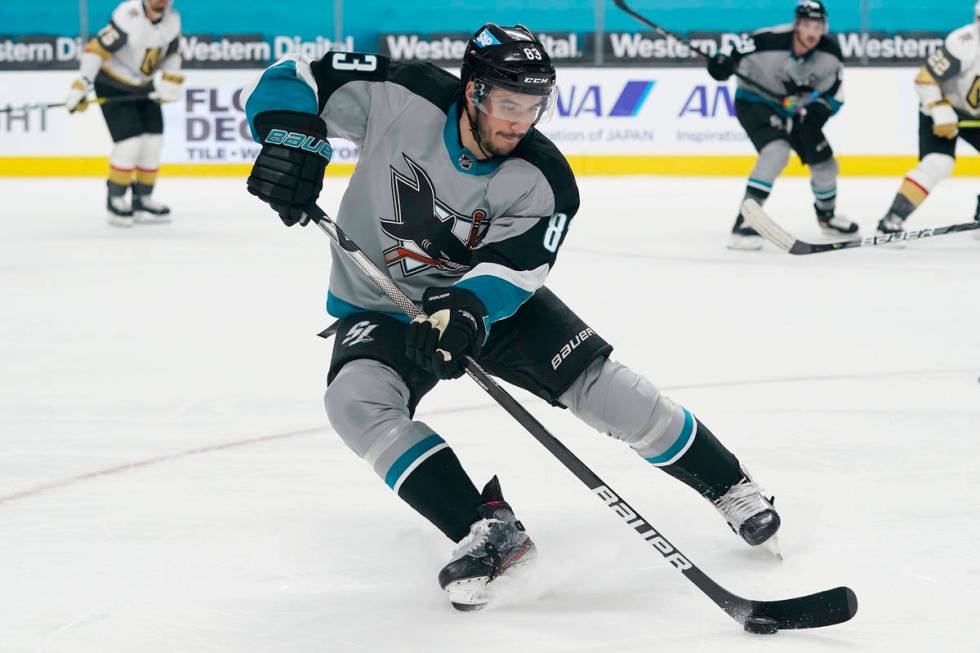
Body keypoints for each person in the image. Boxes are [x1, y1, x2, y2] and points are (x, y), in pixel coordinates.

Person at [243, 24, 781, 611]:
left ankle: (729, 485)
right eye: (507, 105)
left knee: (604, 390)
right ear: (472, 91)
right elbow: (295, 78)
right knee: (353, 402)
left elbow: (514, 271)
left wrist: (466, 312)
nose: (519, 122)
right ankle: (490, 531)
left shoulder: (544, 179)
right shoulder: (404, 92)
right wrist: (291, 139)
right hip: (379, 302)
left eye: (532, 108)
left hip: (478, 303)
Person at [707, 0, 857, 250]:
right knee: (776, 152)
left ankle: (827, 218)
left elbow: (834, 96)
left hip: (798, 110)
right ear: (797, 25)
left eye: (818, 27)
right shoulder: (765, 41)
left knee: (826, 165)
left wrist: (815, 113)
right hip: (756, 103)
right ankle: (744, 223)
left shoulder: (830, 54)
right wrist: (719, 66)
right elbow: (728, 62)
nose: (812, 33)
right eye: (807, 25)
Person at [65, 0, 183, 227]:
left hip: (144, 86)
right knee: (130, 144)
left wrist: (171, 80)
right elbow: (96, 50)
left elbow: (172, 52)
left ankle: (143, 199)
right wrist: (82, 85)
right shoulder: (128, 14)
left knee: (153, 143)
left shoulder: (172, 20)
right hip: (112, 83)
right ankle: (116, 199)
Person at [877, 2, 980, 236]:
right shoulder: (962, 43)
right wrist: (941, 110)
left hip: (975, 115)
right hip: (941, 109)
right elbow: (925, 79)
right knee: (938, 162)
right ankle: (893, 216)